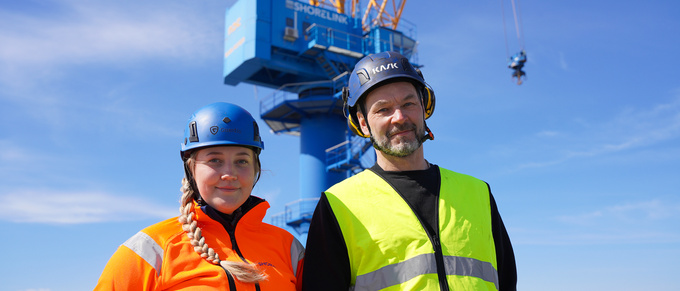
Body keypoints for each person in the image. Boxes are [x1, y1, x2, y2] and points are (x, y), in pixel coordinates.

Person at [302, 51, 517, 291]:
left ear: (424, 108)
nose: (400, 117)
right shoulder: (338, 205)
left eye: (409, 104)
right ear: (363, 122)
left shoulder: (478, 193)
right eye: (383, 109)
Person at [95, 102, 304, 290]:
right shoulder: (151, 250)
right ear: (191, 169)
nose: (229, 174)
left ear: (256, 169)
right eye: (214, 160)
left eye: (242, 161)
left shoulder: (289, 249)